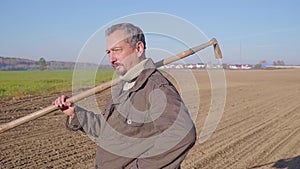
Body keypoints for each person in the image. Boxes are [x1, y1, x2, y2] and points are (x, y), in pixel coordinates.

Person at [53, 23, 196, 169]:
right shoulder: (124, 85)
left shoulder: (156, 89)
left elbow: (183, 134)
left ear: (138, 48)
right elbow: (107, 129)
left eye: (117, 50)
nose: (111, 59)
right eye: (108, 52)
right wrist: (76, 113)